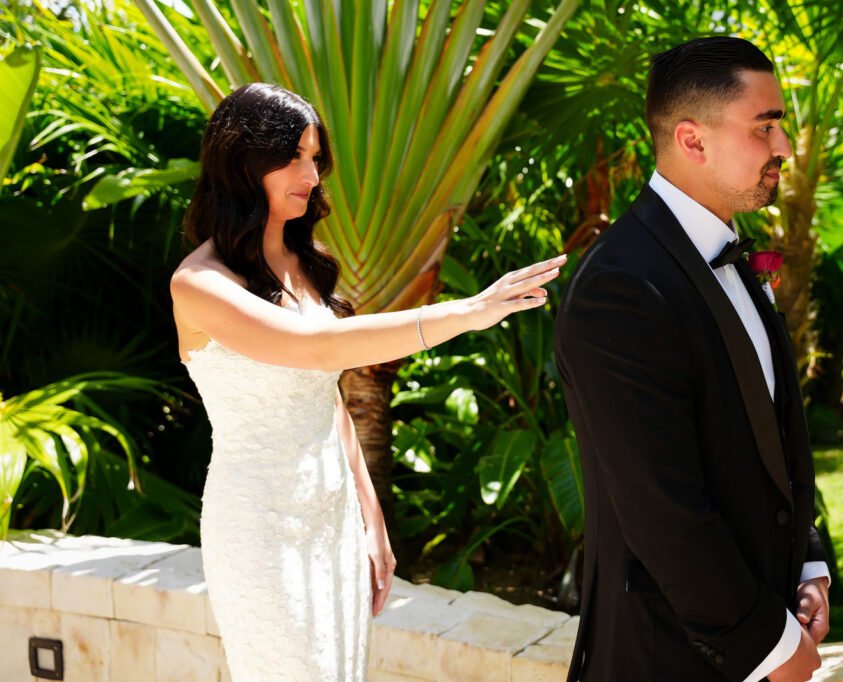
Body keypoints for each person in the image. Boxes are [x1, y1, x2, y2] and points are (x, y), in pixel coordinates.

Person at [170, 82, 564, 681]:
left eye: (315, 158)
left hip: (334, 522)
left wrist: (371, 521)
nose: (312, 176)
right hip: (259, 531)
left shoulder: (303, 263)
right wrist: (467, 311)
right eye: (294, 157)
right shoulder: (199, 284)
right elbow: (317, 349)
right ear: (243, 162)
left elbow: (325, 398)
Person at [554, 37, 831, 681]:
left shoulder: (729, 254)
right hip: (668, 657)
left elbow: (770, 441)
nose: (784, 147)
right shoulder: (621, 286)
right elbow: (662, 509)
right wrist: (769, 647)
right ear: (692, 139)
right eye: (764, 127)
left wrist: (808, 564)